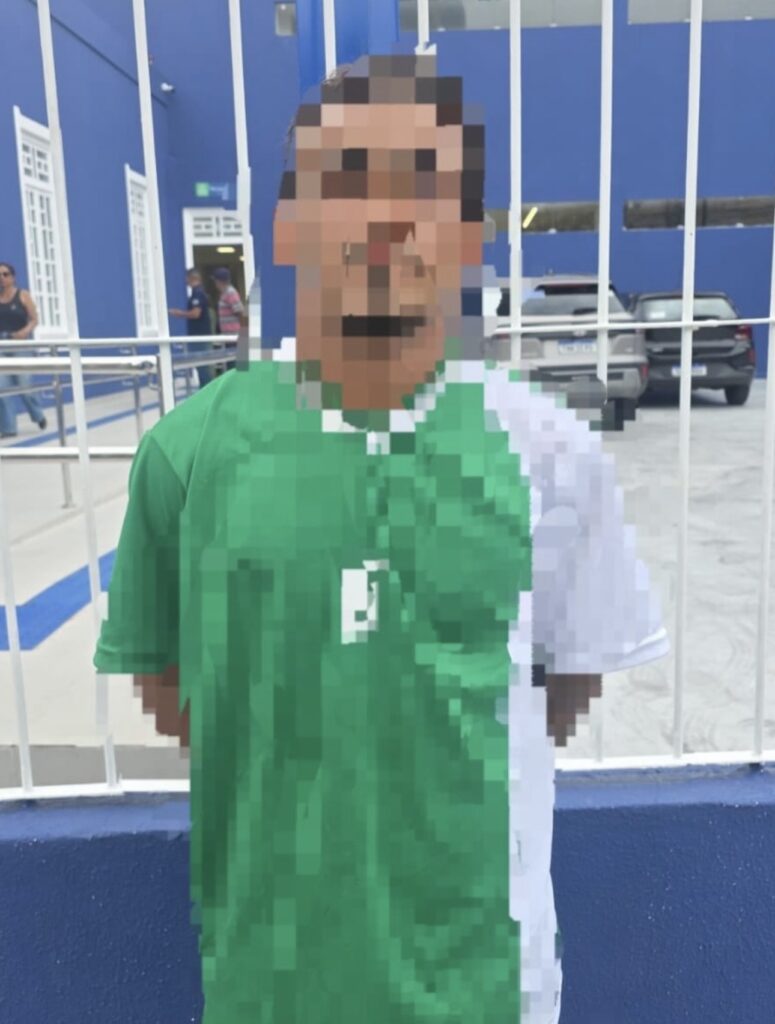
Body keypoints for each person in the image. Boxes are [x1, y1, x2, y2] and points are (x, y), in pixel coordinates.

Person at [94, 55, 668, 1024]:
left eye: (423, 187)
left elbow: (565, 686)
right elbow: (171, 686)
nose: (386, 216)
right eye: (347, 178)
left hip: (492, 991)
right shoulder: (185, 455)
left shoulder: (554, 455)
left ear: (469, 236)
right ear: (288, 225)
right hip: (268, 991)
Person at [0, 262, 47, 437]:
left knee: (24, 385)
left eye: (5, 274)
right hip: (1, 347)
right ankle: (8, 428)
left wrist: (25, 331)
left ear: (13, 277)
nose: (2, 278)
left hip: (20, 345)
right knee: (2, 388)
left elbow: (34, 319)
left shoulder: (23, 295)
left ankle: (38, 415)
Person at [168, 268, 213, 389]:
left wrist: (179, 313)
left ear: (192, 278)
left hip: (200, 336)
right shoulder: (196, 293)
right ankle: (205, 389)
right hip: (199, 336)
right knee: (200, 366)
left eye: (187, 278)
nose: (185, 280)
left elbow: (196, 313)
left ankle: (207, 390)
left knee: (202, 366)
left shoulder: (198, 293)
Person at [211, 266, 243, 374]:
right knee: (229, 364)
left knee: (233, 365)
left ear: (219, 281)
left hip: (234, 336)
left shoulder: (230, 293)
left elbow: (240, 311)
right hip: (228, 337)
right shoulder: (224, 293)